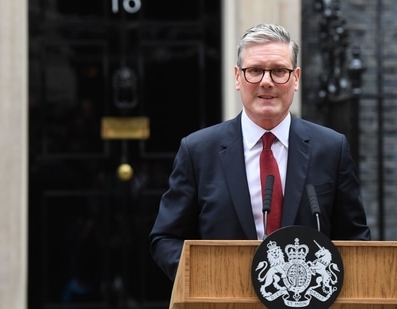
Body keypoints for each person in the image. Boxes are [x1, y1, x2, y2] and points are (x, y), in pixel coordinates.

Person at [149, 23, 371, 282]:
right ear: (237, 77)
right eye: (254, 70)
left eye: (279, 71)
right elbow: (165, 239)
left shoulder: (332, 149)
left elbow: (356, 242)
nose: (266, 82)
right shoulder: (198, 151)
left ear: (296, 78)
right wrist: (206, 275)